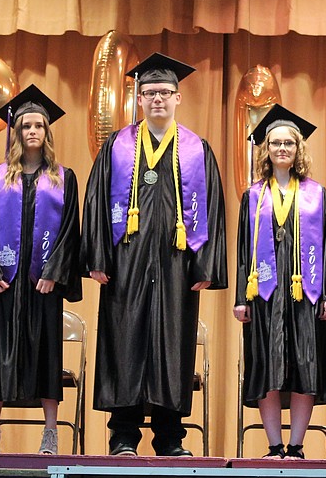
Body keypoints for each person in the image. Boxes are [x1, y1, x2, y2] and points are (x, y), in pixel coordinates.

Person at [82, 53, 227, 457]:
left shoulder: (197, 150)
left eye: (165, 92)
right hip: (125, 265)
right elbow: (95, 202)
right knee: (124, 343)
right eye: (150, 93)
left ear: (178, 98)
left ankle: (170, 438)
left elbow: (212, 211)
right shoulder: (118, 145)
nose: (157, 100)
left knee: (172, 346)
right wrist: (98, 257)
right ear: (139, 99)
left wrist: (205, 265)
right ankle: (123, 435)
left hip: (177, 267)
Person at [0, 85, 82, 455]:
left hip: (42, 284)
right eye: (25, 126)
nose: (32, 131)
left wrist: (54, 271)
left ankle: (50, 433)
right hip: (4, 282)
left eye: (38, 125)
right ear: (15, 132)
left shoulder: (63, 179)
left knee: (47, 354)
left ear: (47, 133)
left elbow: (69, 231)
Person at [233, 105, 326, 460]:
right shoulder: (252, 197)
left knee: (304, 365)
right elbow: (243, 250)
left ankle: (296, 446)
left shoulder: (315, 194)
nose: (282, 149)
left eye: (289, 144)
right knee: (266, 366)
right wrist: (240, 298)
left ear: (298, 150)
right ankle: (274, 446)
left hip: (305, 296)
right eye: (276, 143)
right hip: (263, 296)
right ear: (266, 149)